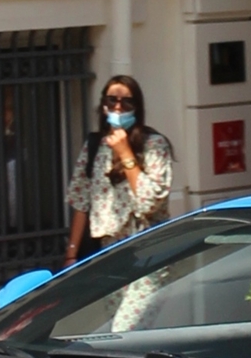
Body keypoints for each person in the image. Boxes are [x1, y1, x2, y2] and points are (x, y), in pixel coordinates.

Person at [64, 73, 174, 268]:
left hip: (145, 251)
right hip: (106, 253)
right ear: (103, 105)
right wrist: (71, 255)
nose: (118, 107)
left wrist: (125, 154)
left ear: (137, 107)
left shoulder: (154, 145)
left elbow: (149, 202)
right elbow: (81, 201)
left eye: (126, 102)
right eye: (112, 100)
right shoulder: (96, 146)